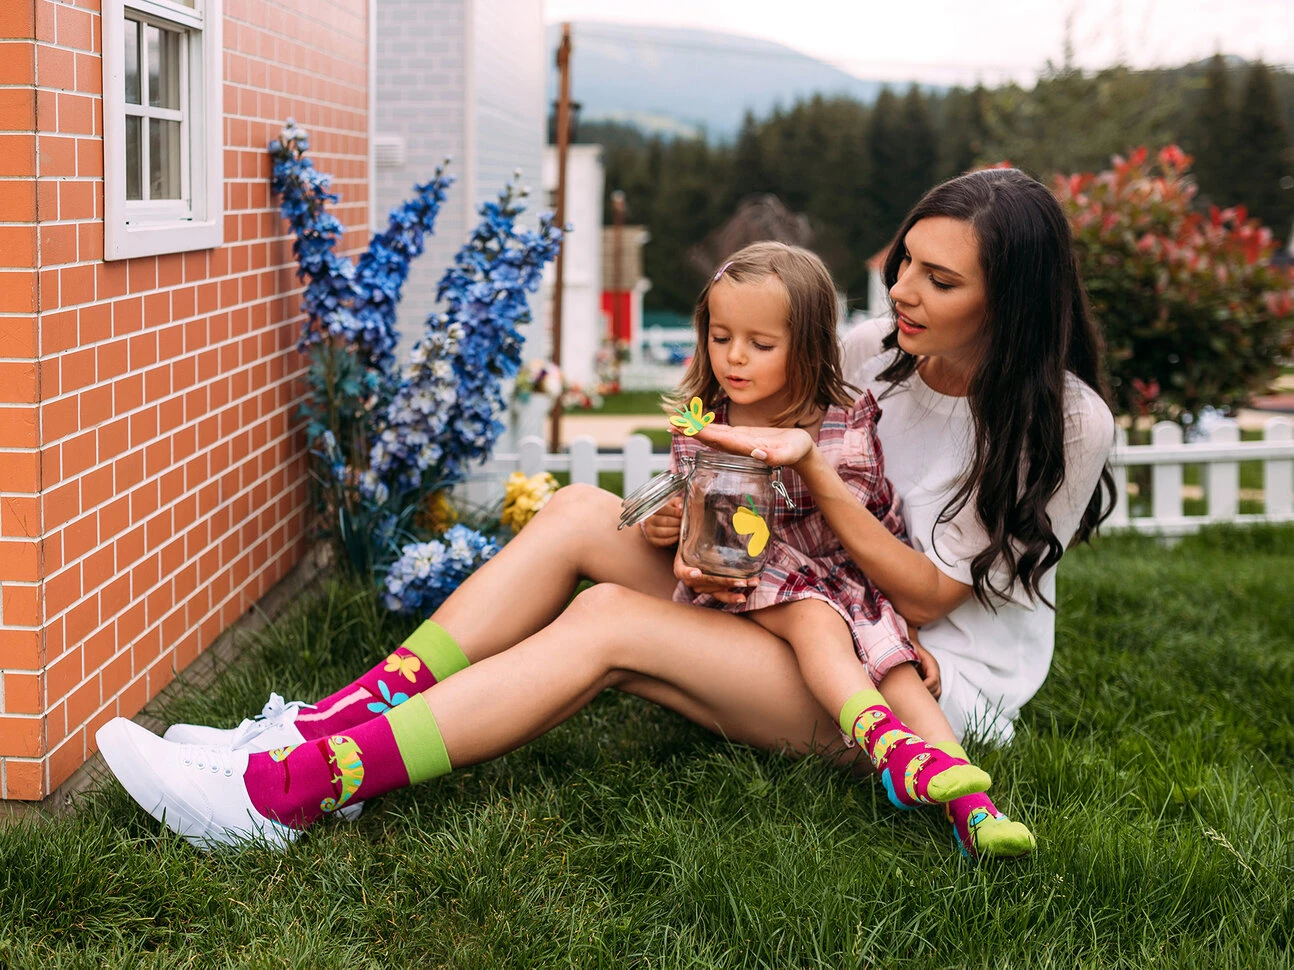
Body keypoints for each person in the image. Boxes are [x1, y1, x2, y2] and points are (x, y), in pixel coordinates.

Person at [95, 167, 1114, 861]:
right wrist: (685, 520)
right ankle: (316, 728)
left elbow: (929, 597)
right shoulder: (871, 352)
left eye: (940, 280)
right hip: (804, 597)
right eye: (904, 263)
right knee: (587, 511)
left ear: (1011, 298)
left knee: (610, 625)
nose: (901, 291)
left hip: (915, 679)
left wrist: (816, 477)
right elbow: (748, 459)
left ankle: (287, 795)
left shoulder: (1066, 421)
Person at [655, 242, 999, 826]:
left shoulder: (844, 420)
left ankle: (975, 809)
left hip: (841, 580)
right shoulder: (703, 424)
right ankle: (888, 747)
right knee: (815, 620)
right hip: (757, 577)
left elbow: (878, 523)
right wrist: (664, 528)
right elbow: (694, 518)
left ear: (810, 348)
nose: (734, 357)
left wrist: (907, 627)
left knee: (899, 671)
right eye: (720, 337)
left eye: (761, 345)